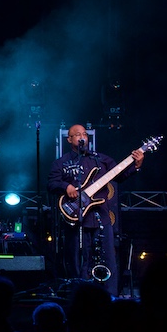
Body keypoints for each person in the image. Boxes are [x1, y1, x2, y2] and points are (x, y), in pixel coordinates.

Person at [47, 124, 144, 296]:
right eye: (77, 134)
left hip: (101, 216)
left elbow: (120, 176)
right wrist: (66, 186)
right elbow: (51, 183)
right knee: (78, 261)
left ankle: (110, 296)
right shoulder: (61, 163)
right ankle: (79, 296)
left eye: (84, 133)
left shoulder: (102, 160)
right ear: (69, 139)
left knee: (108, 260)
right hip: (77, 218)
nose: (82, 136)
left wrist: (135, 165)